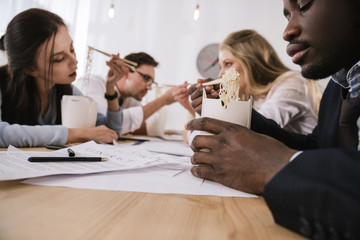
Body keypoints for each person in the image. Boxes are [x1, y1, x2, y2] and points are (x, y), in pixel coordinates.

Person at [186, 0, 360, 239]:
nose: (287, 31)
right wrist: (236, 114)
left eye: (305, 5)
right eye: (287, 16)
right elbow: (316, 148)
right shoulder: (338, 86)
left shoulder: (292, 84)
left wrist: (278, 164)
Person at [0, 8, 126, 147]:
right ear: (31, 68)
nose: (74, 61)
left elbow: (111, 132)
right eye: (59, 59)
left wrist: (110, 89)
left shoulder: (68, 92)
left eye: (72, 49)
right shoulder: (2, 84)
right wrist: (77, 133)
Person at [217, 29, 322, 134]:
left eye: (228, 64)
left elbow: (256, 129)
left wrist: (214, 107)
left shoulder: (293, 82)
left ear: (251, 62)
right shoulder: (252, 99)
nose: (220, 75)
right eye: (220, 67)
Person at [76, 52, 177, 136]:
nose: (149, 87)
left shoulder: (131, 99)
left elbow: (141, 123)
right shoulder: (91, 83)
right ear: (127, 73)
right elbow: (106, 125)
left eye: (151, 82)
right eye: (146, 78)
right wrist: (163, 100)